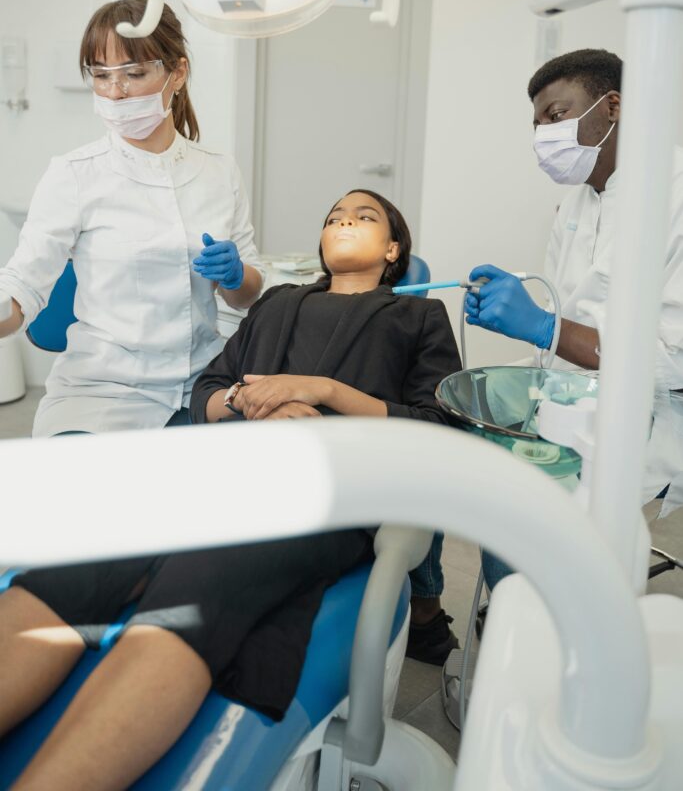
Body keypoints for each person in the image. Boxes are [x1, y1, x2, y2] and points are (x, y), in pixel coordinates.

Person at [0, 188, 461, 791]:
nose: (344, 219)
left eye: (365, 216)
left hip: (325, 494)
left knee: (195, 587)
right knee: (81, 562)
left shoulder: (418, 316)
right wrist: (247, 400)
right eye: (333, 216)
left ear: (394, 248)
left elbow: (440, 428)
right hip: (223, 470)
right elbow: (211, 389)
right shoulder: (276, 302)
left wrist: (322, 391)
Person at [0, 0, 264, 436]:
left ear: (176, 73)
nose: (115, 92)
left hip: (205, 382)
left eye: (134, 74)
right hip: (101, 389)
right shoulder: (74, 174)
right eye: (101, 76)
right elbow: (22, 285)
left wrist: (238, 276)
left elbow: (247, 296)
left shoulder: (219, 169)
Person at [465, 48, 683, 518]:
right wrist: (533, 327)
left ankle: (536, 584)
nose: (544, 136)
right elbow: (561, 330)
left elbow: (670, 365)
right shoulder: (576, 205)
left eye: (556, 116)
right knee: (454, 418)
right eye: (538, 126)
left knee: (525, 506)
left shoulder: (676, 194)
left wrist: (546, 326)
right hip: (572, 389)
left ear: (613, 106)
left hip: (658, 415)